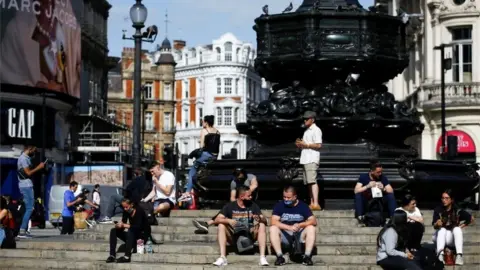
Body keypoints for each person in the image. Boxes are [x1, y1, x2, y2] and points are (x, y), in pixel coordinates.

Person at [211, 186, 269, 266]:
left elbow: (265, 220)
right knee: (221, 225)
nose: (251, 197)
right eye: (249, 196)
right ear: (241, 197)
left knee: (262, 225)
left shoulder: (253, 205)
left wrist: (259, 218)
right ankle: (222, 257)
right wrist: (228, 220)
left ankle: (262, 257)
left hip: (250, 235)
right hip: (234, 236)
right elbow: (217, 220)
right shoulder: (230, 206)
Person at [191, 167, 259, 233]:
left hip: (250, 199)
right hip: (240, 200)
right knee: (227, 208)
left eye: (239, 174)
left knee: (228, 209)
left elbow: (255, 185)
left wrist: (244, 194)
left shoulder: (251, 177)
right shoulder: (234, 182)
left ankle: (207, 224)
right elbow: (232, 197)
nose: (238, 177)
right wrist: (235, 203)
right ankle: (207, 224)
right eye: (236, 175)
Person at [270, 186, 317, 266]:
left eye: (288, 197)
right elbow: (273, 221)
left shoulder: (303, 206)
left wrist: (300, 225)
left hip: (299, 235)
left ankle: (307, 257)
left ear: (295, 197)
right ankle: (280, 257)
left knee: (311, 228)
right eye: (284, 197)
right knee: (273, 228)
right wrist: (289, 227)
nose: (286, 199)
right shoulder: (279, 205)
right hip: (286, 236)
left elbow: (313, 221)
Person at [179, 115, 220, 202]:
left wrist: (194, 154)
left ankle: (187, 193)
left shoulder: (204, 131)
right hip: (214, 157)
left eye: (203, 121)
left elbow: (202, 146)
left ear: (206, 122)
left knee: (192, 172)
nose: (202, 123)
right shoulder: (217, 132)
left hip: (206, 155)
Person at [432, 189, 473, 265]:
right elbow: (434, 226)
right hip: (440, 236)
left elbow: (471, 218)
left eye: (447, 198)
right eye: (443, 198)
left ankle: (459, 256)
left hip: (452, 237)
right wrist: (437, 224)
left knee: (457, 229)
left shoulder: (457, 210)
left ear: (452, 200)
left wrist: (461, 226)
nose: (444, 200)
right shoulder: (438, 209)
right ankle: (440, 255)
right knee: (442, 230)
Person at [105, 198, 151, 263]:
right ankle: (112, 255)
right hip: (132, 236)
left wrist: (124, 225)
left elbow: (138, 227)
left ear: (131, 205)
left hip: (142, 237)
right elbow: (123, 223)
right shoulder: (126, 211)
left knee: (131, 230)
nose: (125, 209)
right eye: (124, 207)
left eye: (126, 207)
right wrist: (119, 226)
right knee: (113, 230)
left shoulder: (139, 211)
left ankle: (127, 256)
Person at [295, 111, 322, 211]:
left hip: (311, 158)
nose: (305, 120)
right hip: (306, 158)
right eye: (304, 118)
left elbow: (319, 145)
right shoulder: (307, 131)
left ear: (313, 119)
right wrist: (301, 144)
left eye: (307, 118)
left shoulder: (316, 130)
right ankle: (311, 203)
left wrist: (306, 145)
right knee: (308, 182)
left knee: (312, 181)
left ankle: (316, 203)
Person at [17, 146, 45, 238]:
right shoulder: (24, 159)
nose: (35, 152)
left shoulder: (25, 158)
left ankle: (22, 230)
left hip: (26, 185)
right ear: (29, 149)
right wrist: (39, 167)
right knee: (29, 208)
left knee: (27, 208)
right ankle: (22, 230)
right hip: (26, 185)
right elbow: (28, 173)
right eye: (34, 150)